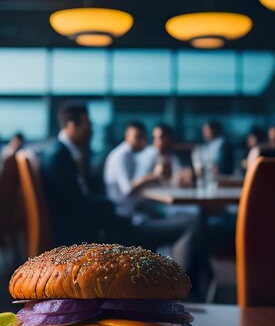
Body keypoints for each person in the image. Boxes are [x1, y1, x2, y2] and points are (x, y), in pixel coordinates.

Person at [41, 104, 211, 299]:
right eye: (88, 124)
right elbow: (75, 205)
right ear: (71, 126)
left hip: (112, 223)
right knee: (192, 223)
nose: (92, 129)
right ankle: (181, 293)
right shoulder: (60, 156)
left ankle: (184, 287)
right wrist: (113, 208)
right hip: (110, 230)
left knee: (189, 219)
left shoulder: (63, 153)